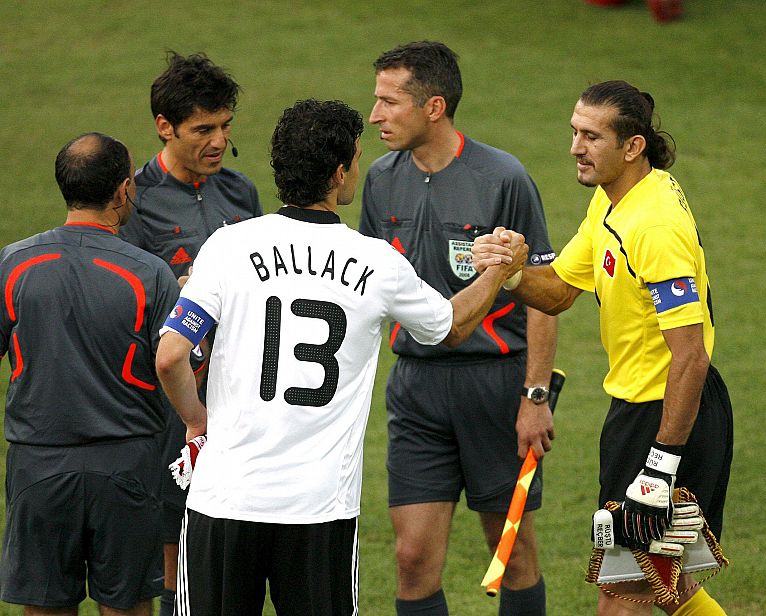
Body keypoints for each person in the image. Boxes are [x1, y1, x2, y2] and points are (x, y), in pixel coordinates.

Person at [155, 99, 528, 616]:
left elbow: (171, 356)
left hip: (223, 500)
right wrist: (499, 269)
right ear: (338, 173)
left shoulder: (227, 246)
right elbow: (451, 325)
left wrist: (196, 422)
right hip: (319, 508)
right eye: (355, 157)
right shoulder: (377, 261)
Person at [473, 80, 732, 616]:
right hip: (635, 410)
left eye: (591, 136)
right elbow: (562, 290)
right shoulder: (614, 203)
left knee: (622, 595)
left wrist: (660, 466)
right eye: (574, 132)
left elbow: (690, 356)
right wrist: (512, 272)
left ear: (632, 146)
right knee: (667, 585)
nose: (575, 147)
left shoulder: (655, 225)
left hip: (669, 417)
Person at [359, 41, 557, 616]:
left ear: (434, 107)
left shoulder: (503, 177)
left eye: (389, 103)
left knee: (510, 551)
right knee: (411, 558)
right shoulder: (379, 180)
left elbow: (544, 296)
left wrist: (535, 396)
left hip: (495, 388)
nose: (376, 116)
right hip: (416, 391)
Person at [0, 133, 180, 615]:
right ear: (123, 190)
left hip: (38, 468)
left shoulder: (14, 264)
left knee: (44, 607)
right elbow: (176, 362)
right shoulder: (149, 272)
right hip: (127, 468)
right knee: (128, 608)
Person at [119, 51, 262, 616]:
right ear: (165, 127)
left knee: (224, 542)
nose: (218, 141)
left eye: (225, 126)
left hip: (235, 397)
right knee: (168, 547)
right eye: (204, 129)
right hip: (165, 404)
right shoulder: (134, 200)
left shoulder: (241, 194)